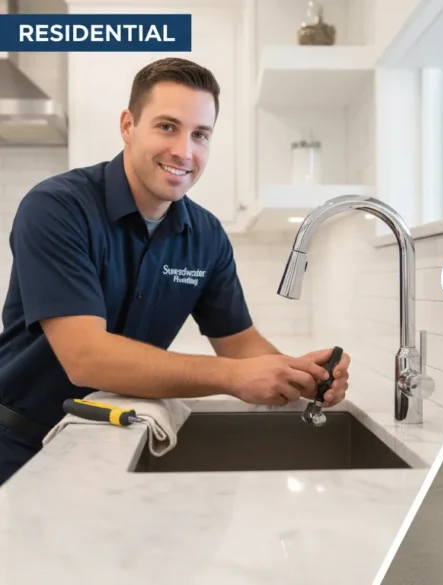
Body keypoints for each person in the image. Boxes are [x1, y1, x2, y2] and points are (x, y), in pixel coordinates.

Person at [0, 57, 351, 486]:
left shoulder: (206, 235)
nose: (184, 151)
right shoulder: (57, 208)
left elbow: (240, 343)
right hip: (17, 447)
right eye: (167, 126)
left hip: (116, 444)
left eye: (200, 134)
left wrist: (299, 374)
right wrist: (234, 378)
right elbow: (86, 358)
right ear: (128, 125)